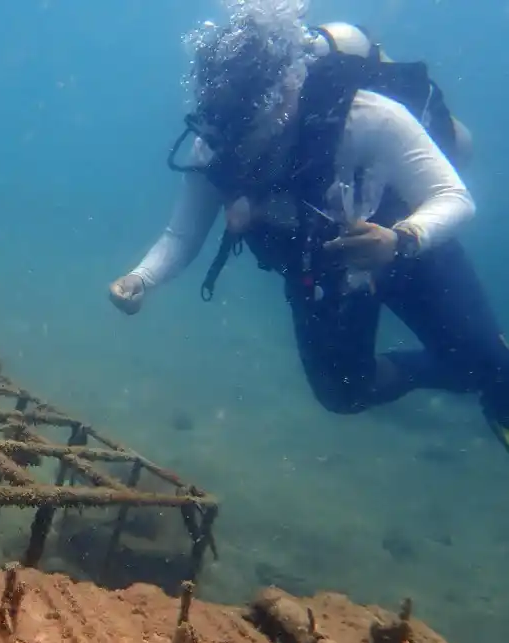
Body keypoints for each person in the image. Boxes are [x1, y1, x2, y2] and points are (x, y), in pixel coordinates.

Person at [107, 19, 509, 451]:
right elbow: (181, 235)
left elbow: (452, 196)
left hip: (410, 249)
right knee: (344, 394)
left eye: (248, 129)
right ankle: (459, 363)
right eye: (227, 131)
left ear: (287, 91)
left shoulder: (366, 117)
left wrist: (402, 238)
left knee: (485, 367)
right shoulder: (216, 142)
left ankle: (490, 370)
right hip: (321, 268)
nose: (238, 150)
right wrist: (140, 279)